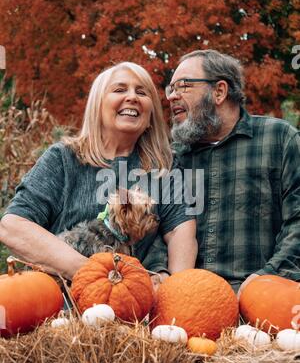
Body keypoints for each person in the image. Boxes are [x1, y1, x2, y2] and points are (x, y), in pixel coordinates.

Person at [0, 62, 197, 284]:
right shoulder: (63, 158)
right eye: (120, 90)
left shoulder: (165, 167)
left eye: (141, 92)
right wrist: (92, 274)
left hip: (133, 304)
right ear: (98, 107)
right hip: (61, 299)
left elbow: (181, 233)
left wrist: (175, 291)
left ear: (150, 115)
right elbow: (13, 226)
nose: (132, 97)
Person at [165, 49, 300, 293]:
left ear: (219, 92)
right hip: (190, 300)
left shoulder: (280, 139)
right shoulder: (175, 158)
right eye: (170, 88)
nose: (172, 97)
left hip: (267, 298)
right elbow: (158, 231)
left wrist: (266, 278)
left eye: (183, 86)